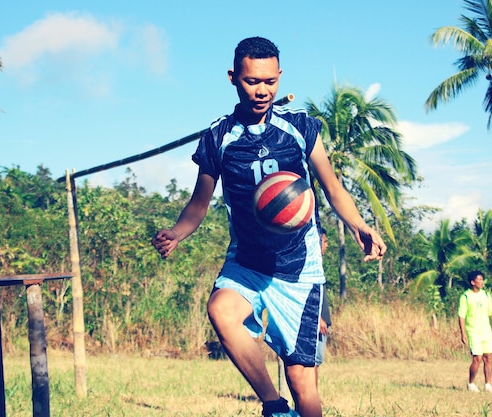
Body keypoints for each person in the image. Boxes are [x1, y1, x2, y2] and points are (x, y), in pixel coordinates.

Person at [152, 36, 386, 417]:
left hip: (299, 268)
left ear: (279, 77)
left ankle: (290, 403)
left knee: (302, 382)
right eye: (251, 81)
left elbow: (331, 186)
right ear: (233, 78)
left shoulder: (300, 128)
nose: (262, 90)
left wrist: (359, 225)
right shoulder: (218, 137)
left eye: (269, 81)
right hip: (248, 260)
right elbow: (199, 203)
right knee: (221, 311)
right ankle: (274, 407)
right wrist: (177, 233)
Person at [458, 270, 492, 393]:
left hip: (486, 330)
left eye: (482, 279)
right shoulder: (466, 296)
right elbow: (461, 316)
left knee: (488, 358)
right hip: (473, 331)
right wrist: (463, 333)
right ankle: (471, 383)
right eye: (479, 280)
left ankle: (488, 384)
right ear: (472, 282)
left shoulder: (486, 295)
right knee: (477, 358)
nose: (481, 282)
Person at [315, 228, 331, 387]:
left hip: (322, 319)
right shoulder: (310, 266)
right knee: (312, 361)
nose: (327, 245)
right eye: (325, 241)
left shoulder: (318, 265)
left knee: (316, 361)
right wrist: (317, 318)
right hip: (317, 321)